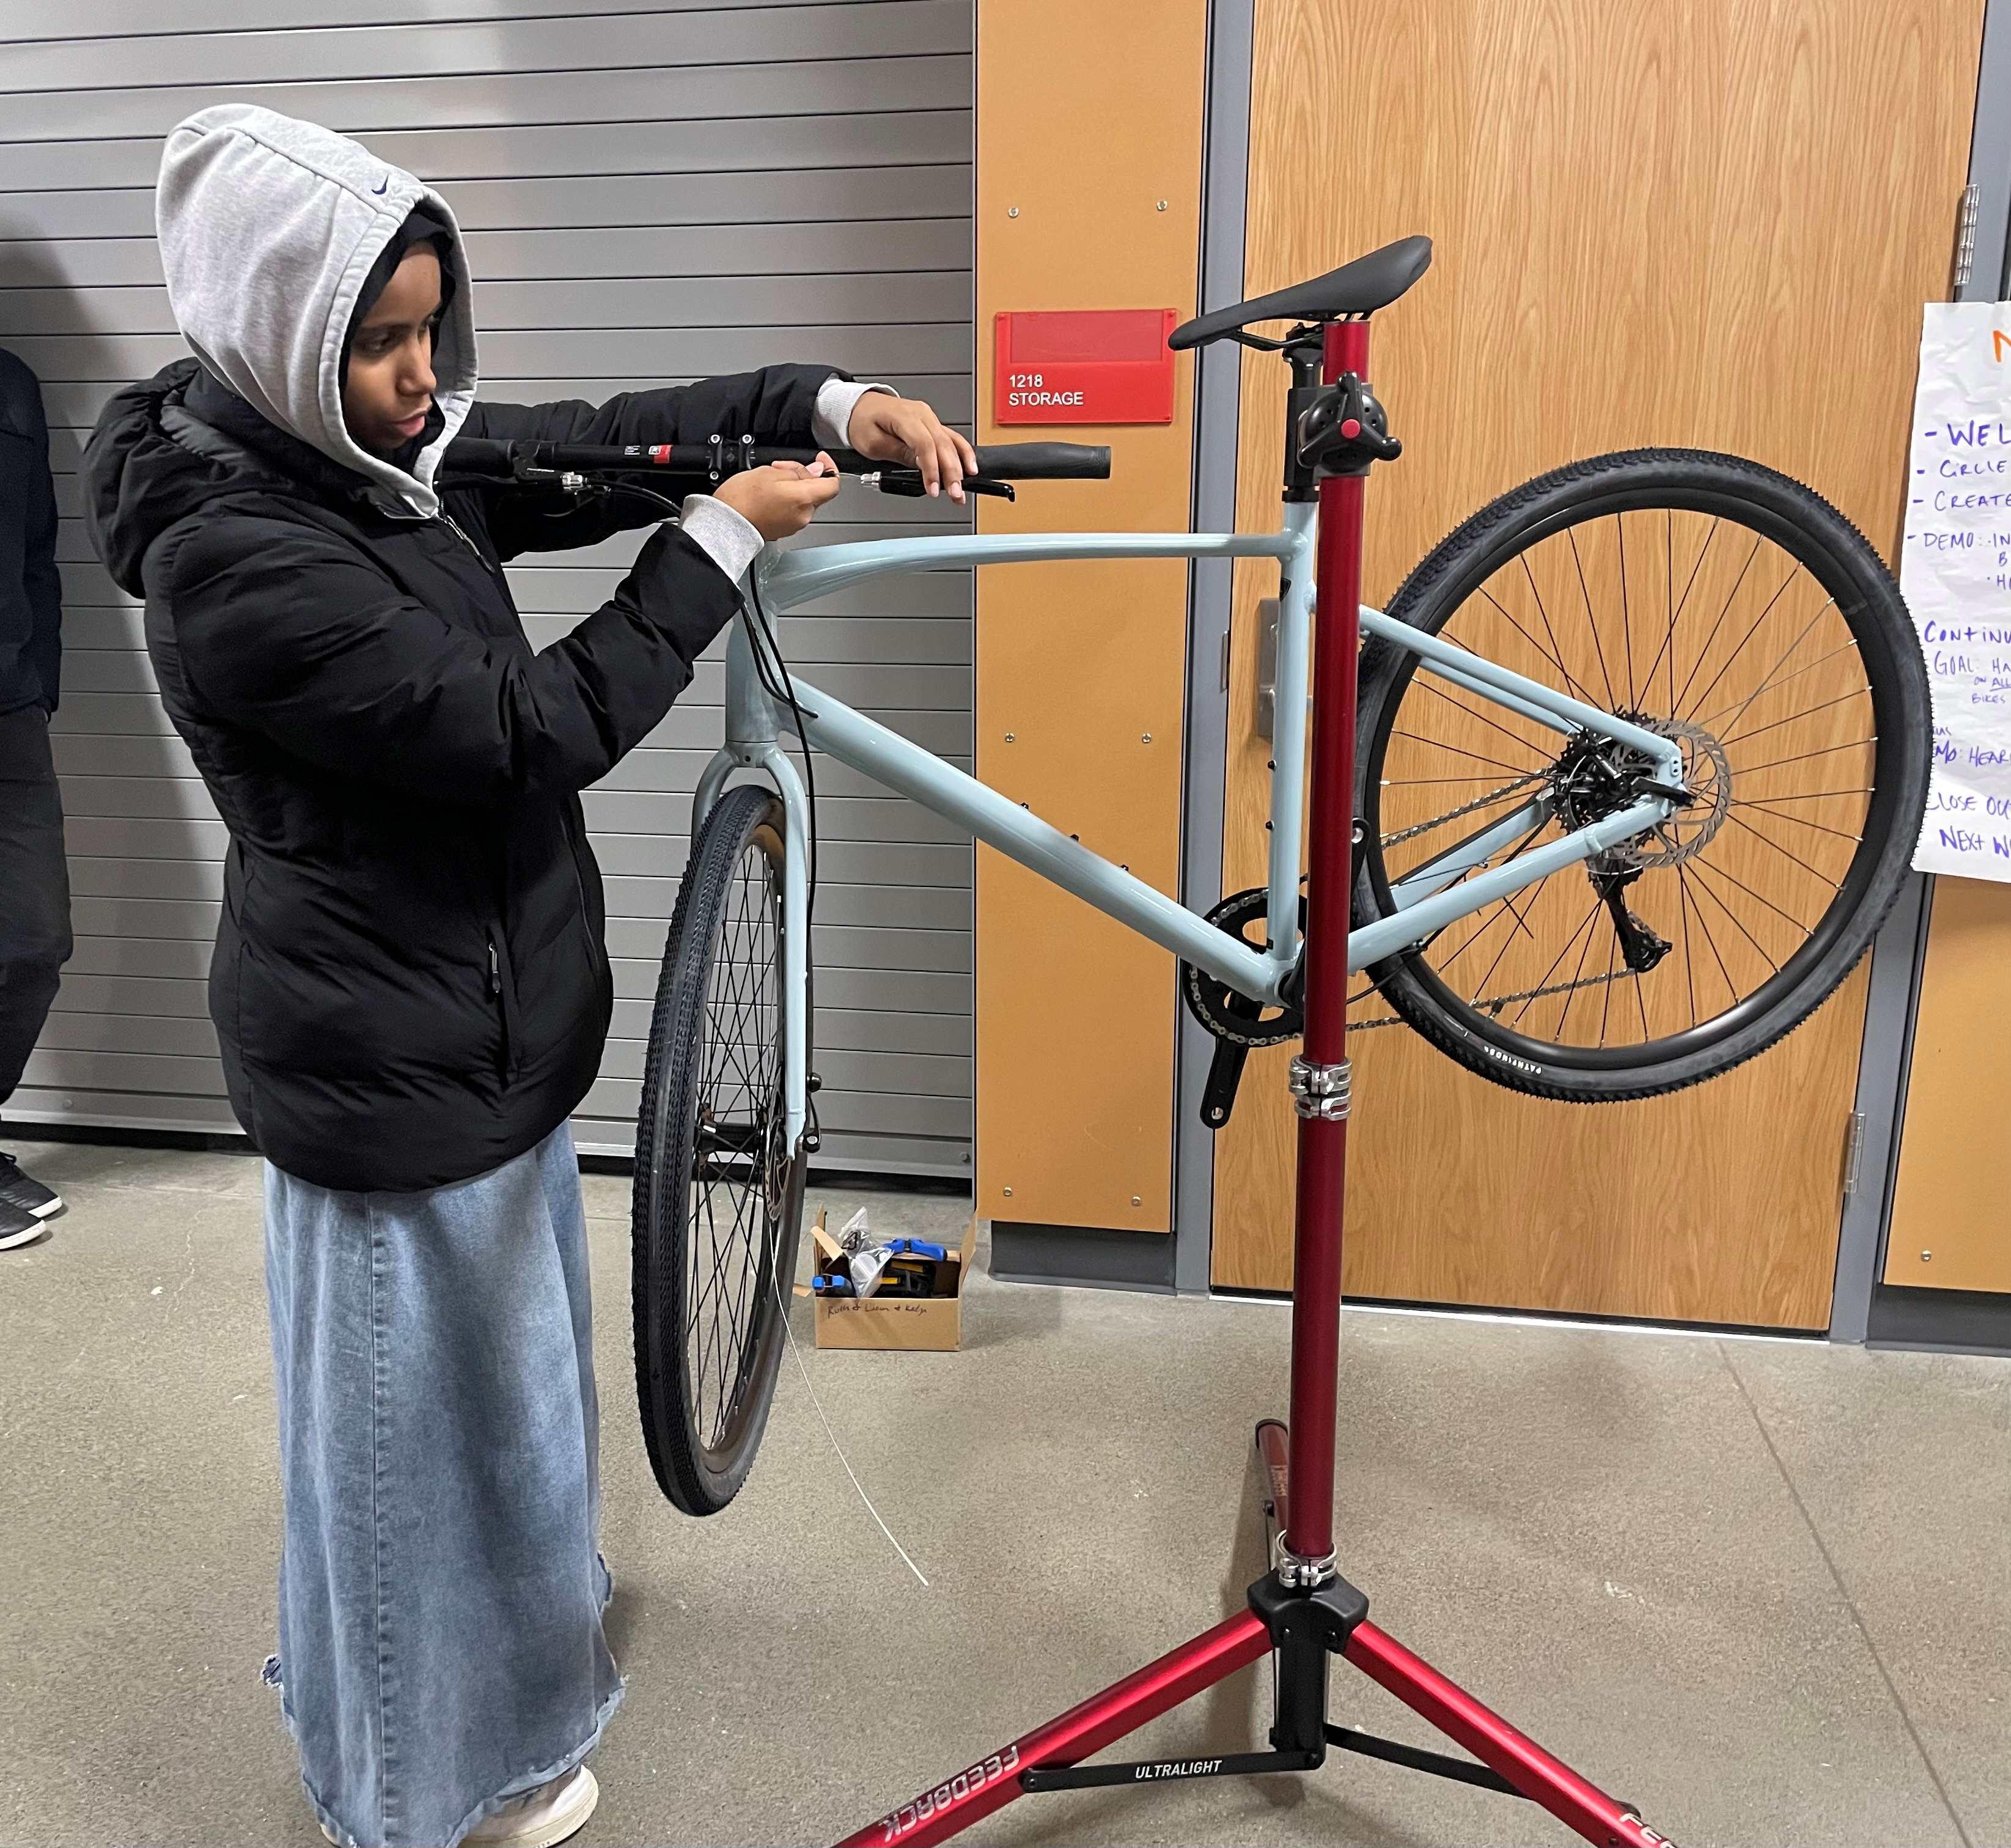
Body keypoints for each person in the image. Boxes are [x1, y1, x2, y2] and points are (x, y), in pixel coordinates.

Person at [81, 104, 977, 1848]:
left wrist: (820, 401)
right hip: (384, 1069)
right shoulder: (238, 556)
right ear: (280, 334)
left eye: (433, 332)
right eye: (383, 345)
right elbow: (528, 730)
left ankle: (499, 1700)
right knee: (400, 1466)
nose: (426, 380)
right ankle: (405, 1788)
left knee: (492, 1429)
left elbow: (597, 439)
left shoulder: (357, 460)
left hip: (476, 1034)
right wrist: (713, 546)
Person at [0, 343, 70, 1251]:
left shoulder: (12, 384)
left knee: (34, 940)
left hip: (7, 704)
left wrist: (38, 676)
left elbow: (41, 553)